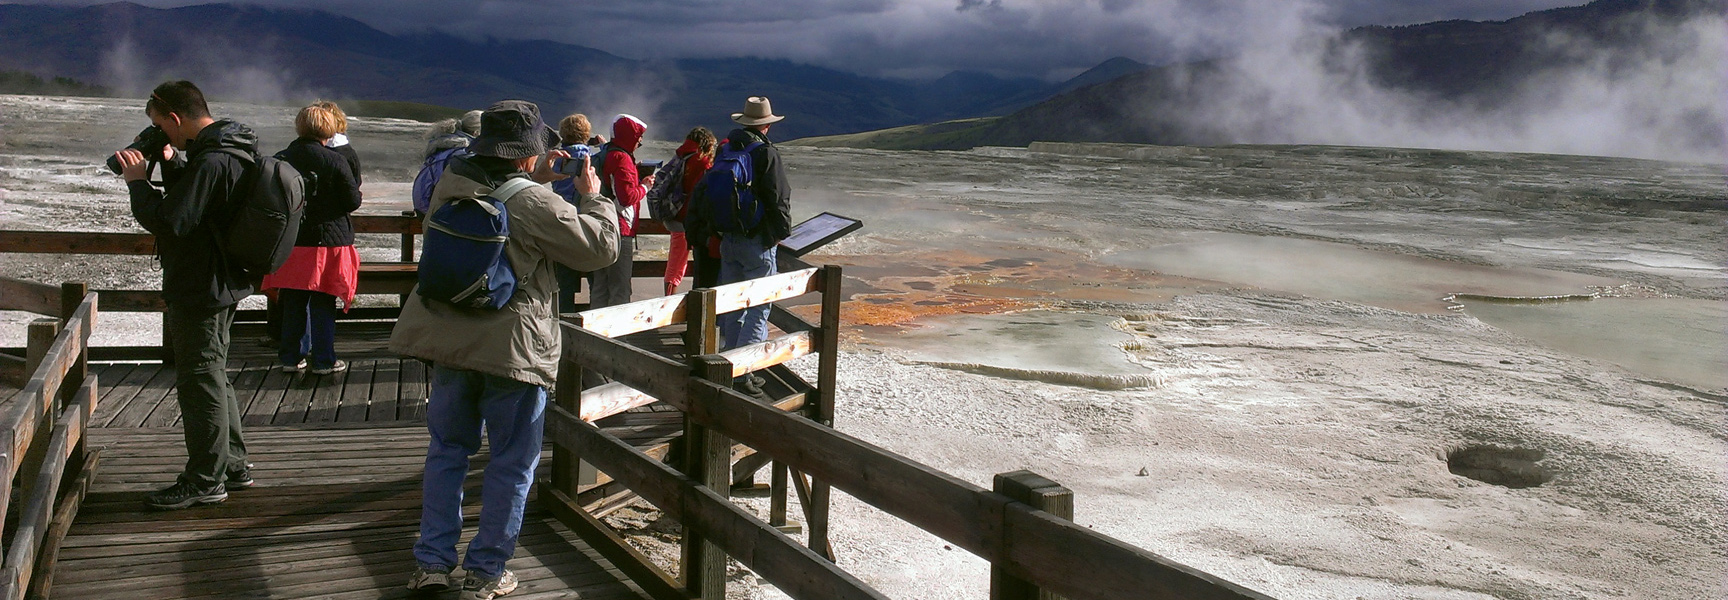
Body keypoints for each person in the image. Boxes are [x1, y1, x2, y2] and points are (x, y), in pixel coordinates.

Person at [390, 100, 618, 599]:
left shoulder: (450, 183)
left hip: (449, 341)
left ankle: (431, 563)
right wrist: (593, 197)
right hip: (511, 350)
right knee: (513, 462)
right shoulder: (534, 202)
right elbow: (600, 249)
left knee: (447, 451)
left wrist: (539, 178)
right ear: (526, 154)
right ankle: (487, 570)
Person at [113, 80, 255, 509]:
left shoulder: (211, 160)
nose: (163, 135)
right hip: (223, 280)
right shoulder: (231, 149)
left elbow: (172, 222)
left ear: (174, 118)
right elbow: (203, 209)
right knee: (212, 372)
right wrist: (175, 167)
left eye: (161, 126)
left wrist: (138, 182)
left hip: (201, 285)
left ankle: (204, 479)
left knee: (199, 380)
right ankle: (231, 464)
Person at [262, 102, 363, 375]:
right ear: (329, 129)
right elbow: (352, 201)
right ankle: (323, 360)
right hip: (329, 241)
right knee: (323, 300)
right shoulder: (336, 160)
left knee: (293, 300)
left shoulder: (282, 157)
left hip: (293, 240)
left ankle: (290, 357)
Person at [710, 97, 792, 393]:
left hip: (728, 237)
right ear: (767, 125)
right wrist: (781, 233)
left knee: (734, 305)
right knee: (759, 306)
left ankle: (728, 365)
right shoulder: (765, 153)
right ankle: (745, 371)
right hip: (756, 241)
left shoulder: (726, 149)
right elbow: (778, 196)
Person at [588, 114, 653, 309]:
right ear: (630, 137)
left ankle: (593, 335)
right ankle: (618, 336)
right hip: (620, 230)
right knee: (620, 288)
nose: (638, 143)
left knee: (600, 286)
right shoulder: (622, 159)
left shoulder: (609, 152)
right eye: (638, 140)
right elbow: (626, 198)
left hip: (601, 225)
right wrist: (645, 186)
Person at [551, 113, 600, 313]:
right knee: (596, 278)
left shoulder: (557, 159)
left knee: (564, 282)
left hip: (562, 220)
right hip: (587, 220)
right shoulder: (592, 158)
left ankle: (564, 323)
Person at [665, 126, 717, 295]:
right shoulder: (703, 163)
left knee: (675, 262)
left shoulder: (682, 157)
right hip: (690, 219)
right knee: (684, 265)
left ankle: (669, 300)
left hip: (676, 216)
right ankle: (671, 304)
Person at [413, 110, 483, 215]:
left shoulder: (446, 146)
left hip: (423, 208)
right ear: (476, 133)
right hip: (436, 213)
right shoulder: (462, 154)